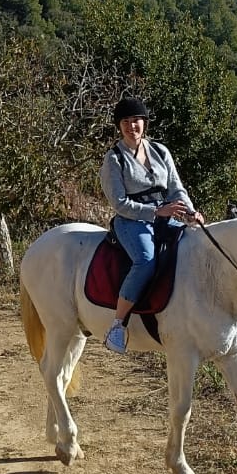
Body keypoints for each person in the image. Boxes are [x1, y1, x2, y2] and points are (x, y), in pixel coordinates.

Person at [98, 95, 203, 353]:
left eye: (136, 121)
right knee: (145, 259)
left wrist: (190, 213)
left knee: (194, 245)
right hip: (131, 220)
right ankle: (117, 325)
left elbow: (176, 188)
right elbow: (119, 203)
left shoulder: (160, 151)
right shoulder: (114, 159)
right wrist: (156, 211)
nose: (131, 126)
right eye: (125, 122)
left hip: (165, 215)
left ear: (144, 123)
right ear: (119, 126)